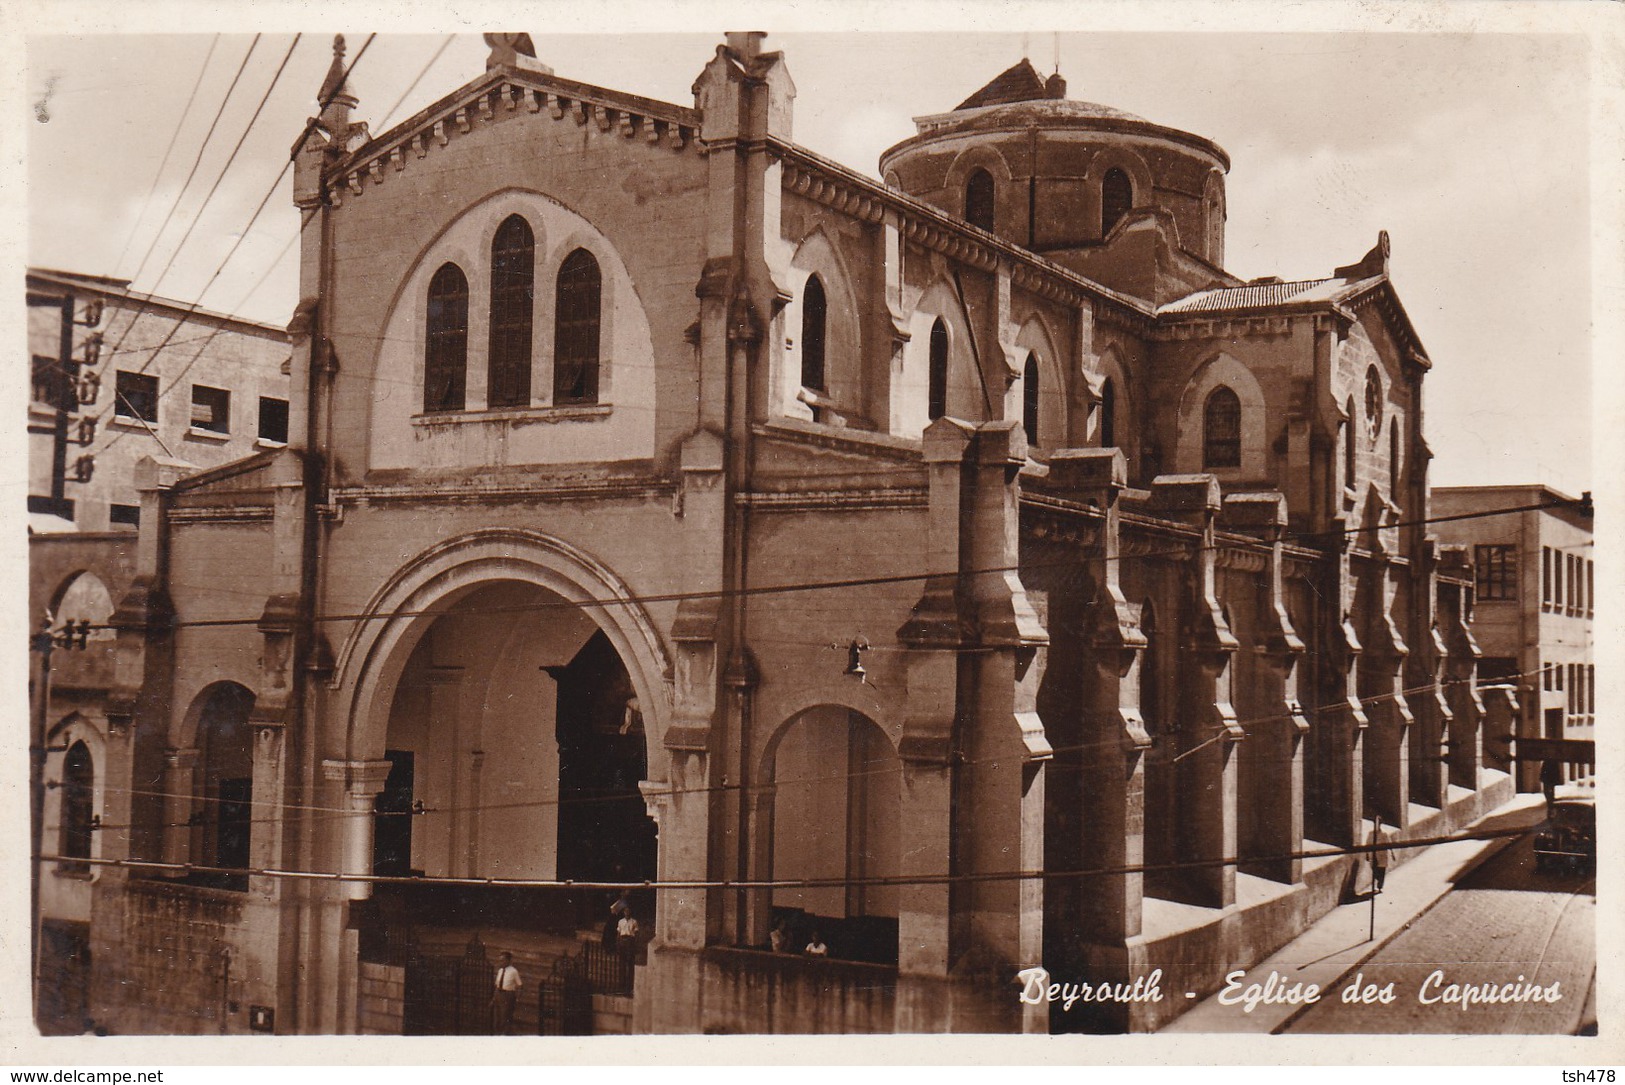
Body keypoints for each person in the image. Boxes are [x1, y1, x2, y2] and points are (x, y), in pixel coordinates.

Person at [490, 951, 522, 1035]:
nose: (501, 962)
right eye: (500, 960)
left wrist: (517, 998)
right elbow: (497, 985)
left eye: (503, 960)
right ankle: (497, 1034)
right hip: (498, 994)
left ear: (508, 960)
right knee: (497, 1016)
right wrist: (493, 998)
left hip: (507, 995)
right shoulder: (500, 970)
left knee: (505, 1016)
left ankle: (504, 1034)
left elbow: (520, 985)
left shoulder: (514, 971)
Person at [1370, 814, 1391, 894]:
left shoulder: (1384, 834)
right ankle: (1378, 882)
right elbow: (1367, 843)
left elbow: (1389, 843)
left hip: (1382, 856)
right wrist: (1367, 855)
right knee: (1375, 871)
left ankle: (1379, 887)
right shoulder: (1371, 834)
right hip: (1373, 856)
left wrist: (1392, 854)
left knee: (1381, 872)